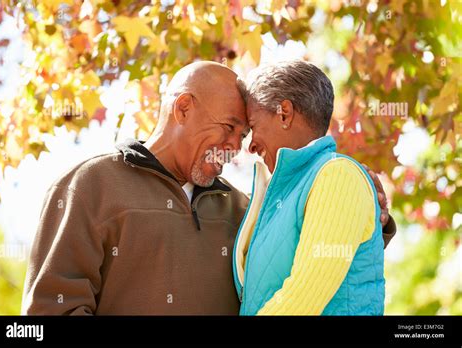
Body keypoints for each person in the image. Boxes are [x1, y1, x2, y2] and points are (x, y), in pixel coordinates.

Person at [22, 61, 395, 315]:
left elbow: (305, 262)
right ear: (183, 108)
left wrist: (370, 211)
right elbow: (52, 310)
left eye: (245, 132)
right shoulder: (90, 186)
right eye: (230, 127)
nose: (237, 146)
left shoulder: (243, 209)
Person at [233, 60, 389, 315]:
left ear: (284, 113)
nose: (249, 146)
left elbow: (303, 298)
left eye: (253, 127)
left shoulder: (338, 176)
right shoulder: (281, 197)